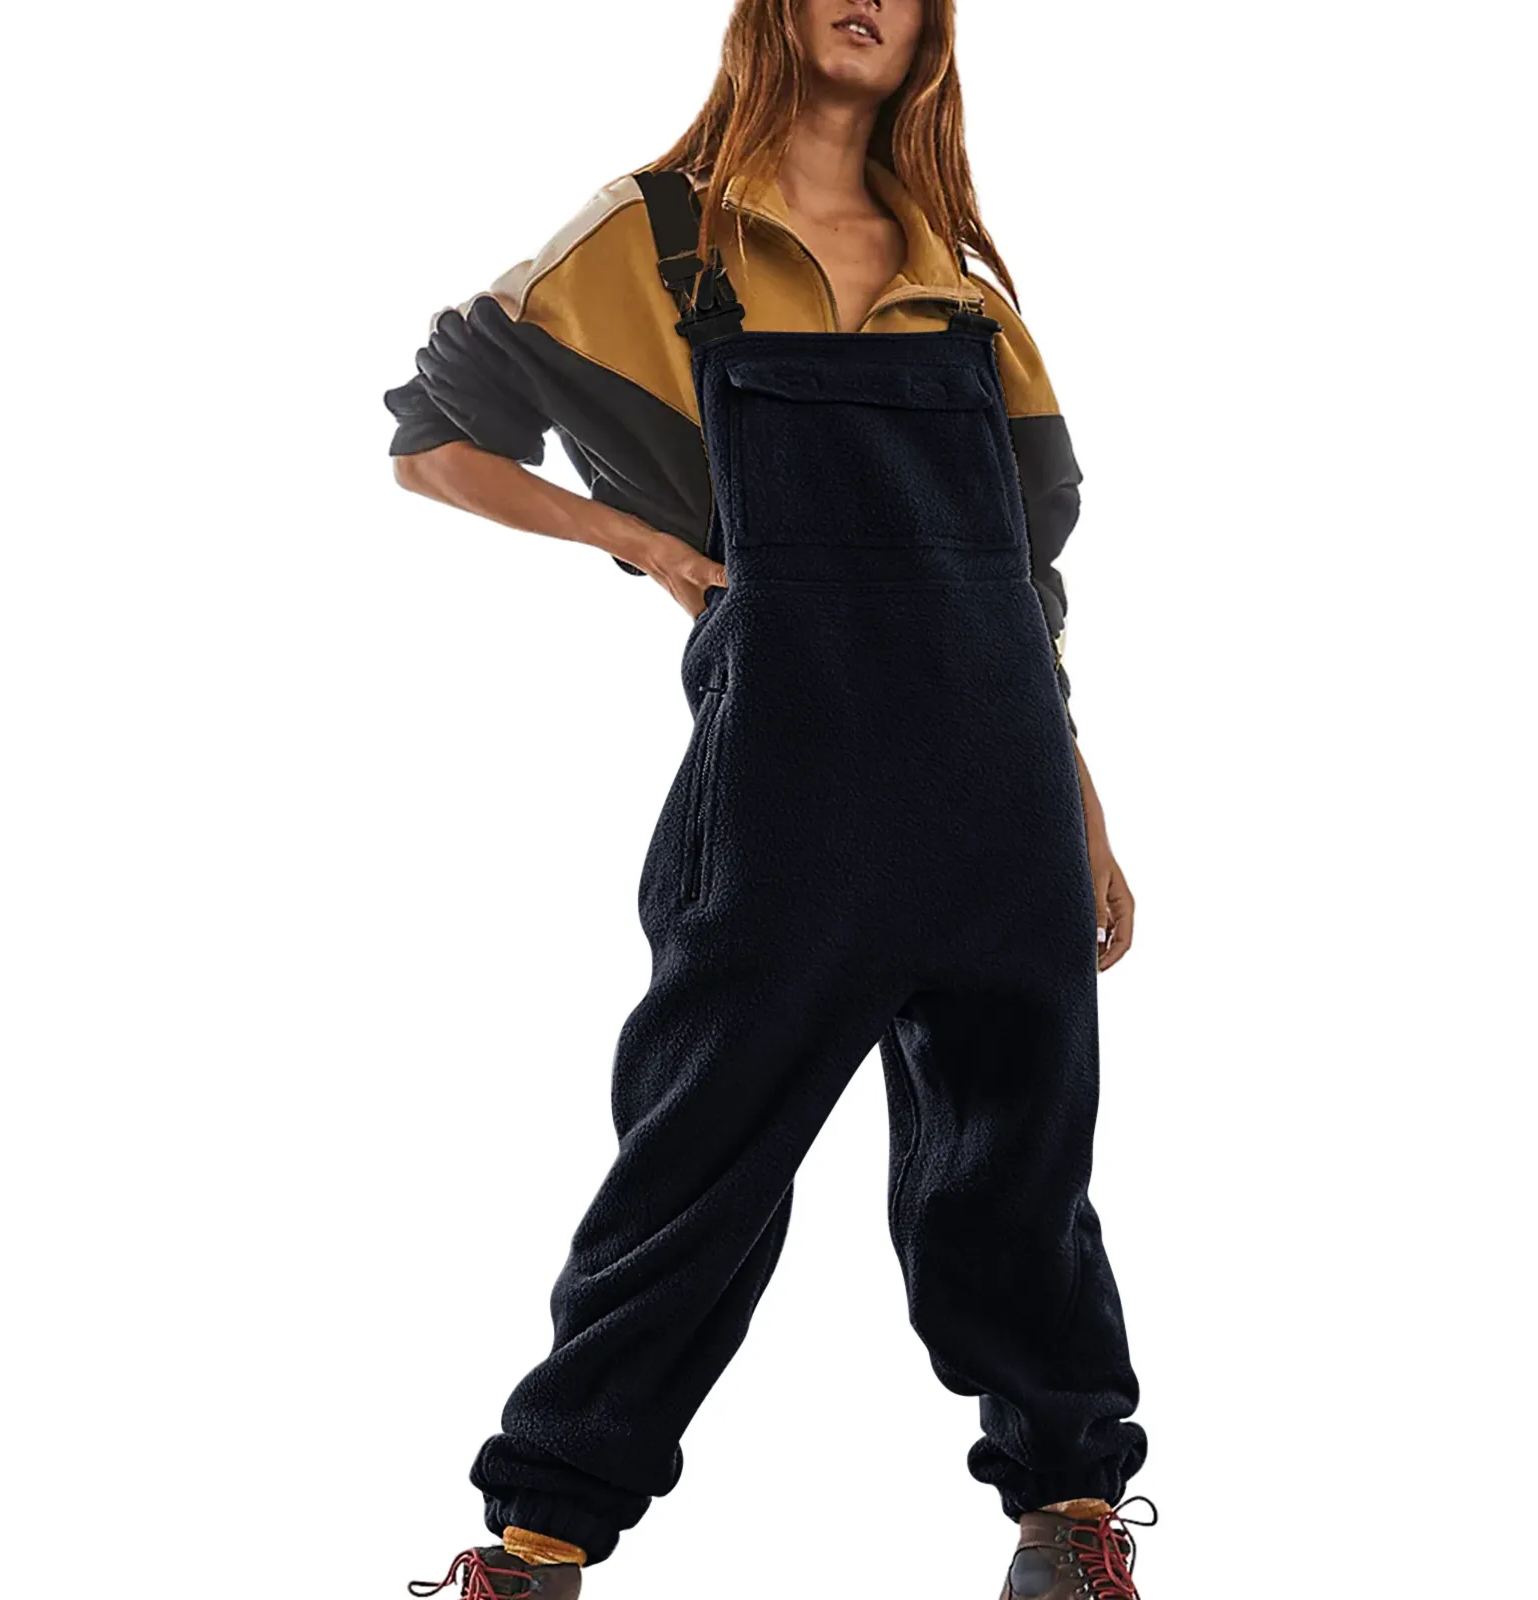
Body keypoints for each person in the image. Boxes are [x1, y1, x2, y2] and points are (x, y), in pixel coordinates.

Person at [386, 3, 1153, 1596]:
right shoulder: (658, 238)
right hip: (792, 791)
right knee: (699, 1159)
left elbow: (1027, 583)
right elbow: (433, 436)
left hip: (1004, 784)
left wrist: (1079, 800)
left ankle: (1071, 1524)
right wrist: (644, 544)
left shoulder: (964, 284)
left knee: (1023, 1176)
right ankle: (536, 1543)